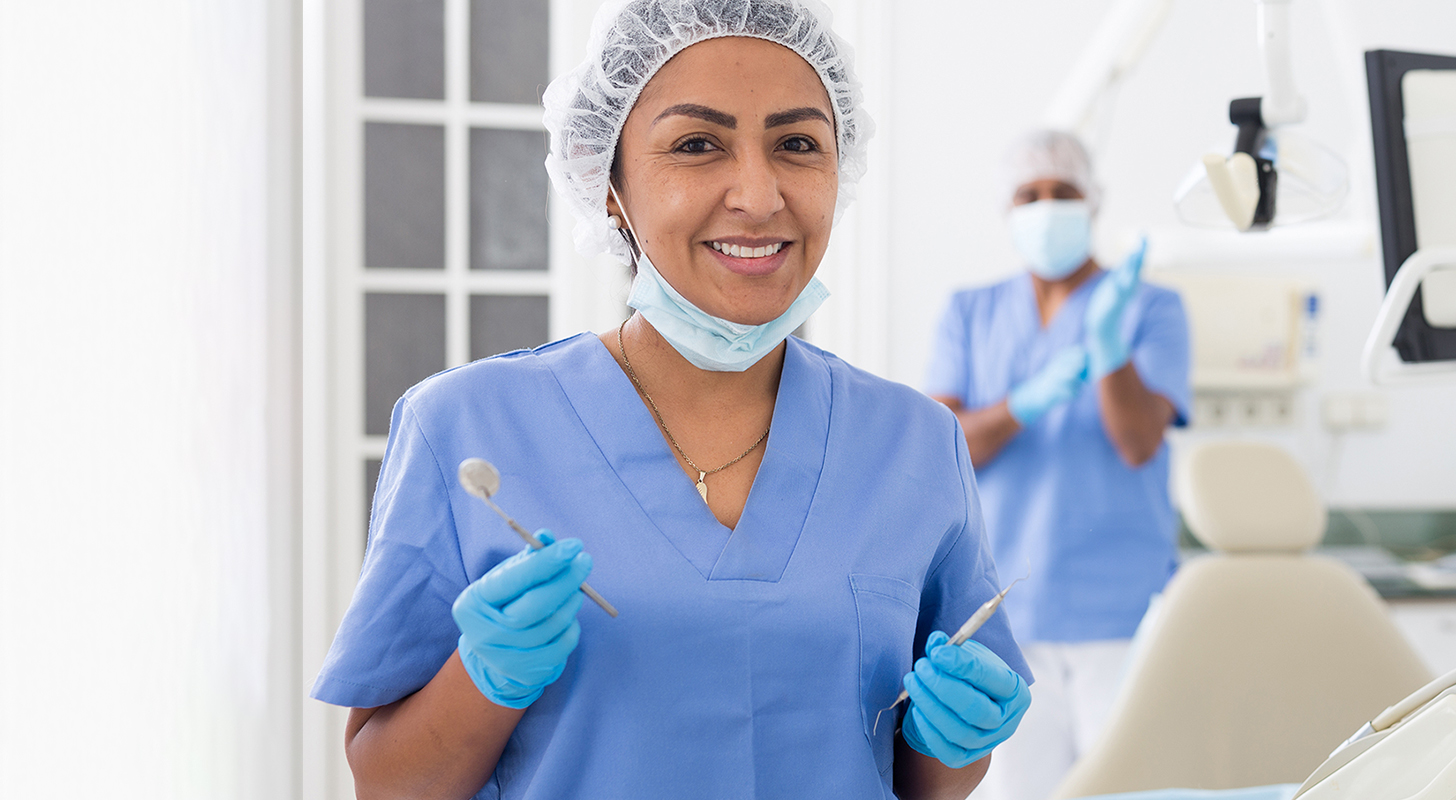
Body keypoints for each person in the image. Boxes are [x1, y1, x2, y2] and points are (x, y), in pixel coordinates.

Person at [309, 2, 1031, 798]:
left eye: (796, 144)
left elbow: (929, 778)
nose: (758, 195)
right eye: (696, 145)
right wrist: (486, 681)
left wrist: (954, 741)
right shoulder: (466, 427)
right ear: (609, 184)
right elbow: (387, 785)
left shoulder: (916, 444)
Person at [924, 130, 1191, 800]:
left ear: (1093, 202)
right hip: (1000, 602)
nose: (1046, 207)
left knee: (1125, 789)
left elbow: (1138, 442)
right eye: (1029, 194)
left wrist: (1108, 348)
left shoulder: (1152, 308)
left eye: (1063, 193)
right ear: (1007, 210)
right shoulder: (969, 311)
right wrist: (1022, 404)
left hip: (1119, 608)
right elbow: (945, 443)